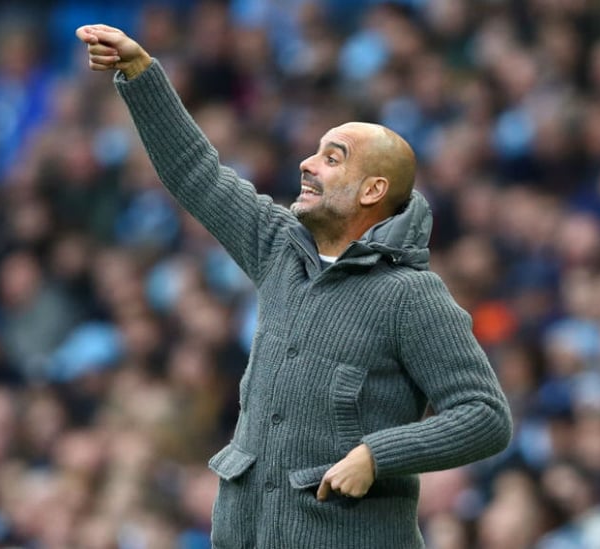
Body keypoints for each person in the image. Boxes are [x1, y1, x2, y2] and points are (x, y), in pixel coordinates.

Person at [76, 24, 512, 549]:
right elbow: (197, 172)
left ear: (373, 190)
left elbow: (484, 416)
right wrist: (141, 73)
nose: (307, 164)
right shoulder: (280, 246)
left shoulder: (410, 295)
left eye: (333, 158)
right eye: (314, 152)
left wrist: (377, 455)